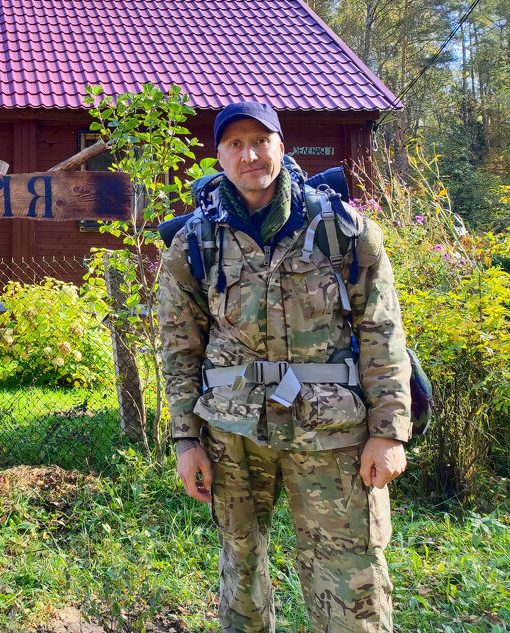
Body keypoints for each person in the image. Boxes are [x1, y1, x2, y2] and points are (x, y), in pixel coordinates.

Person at [158, 101, 412, 633]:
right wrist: (186, 441)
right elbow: (180, 349)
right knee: (241, 575)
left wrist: (389, 433)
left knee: (351, 583)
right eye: (235, 144)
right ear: (219, 154)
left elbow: (382, 333)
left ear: (281, 144)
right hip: (233, 434)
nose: (249, 154)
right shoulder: (195, 242)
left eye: (260, 140)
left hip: (333, 435)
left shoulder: (344, 231)